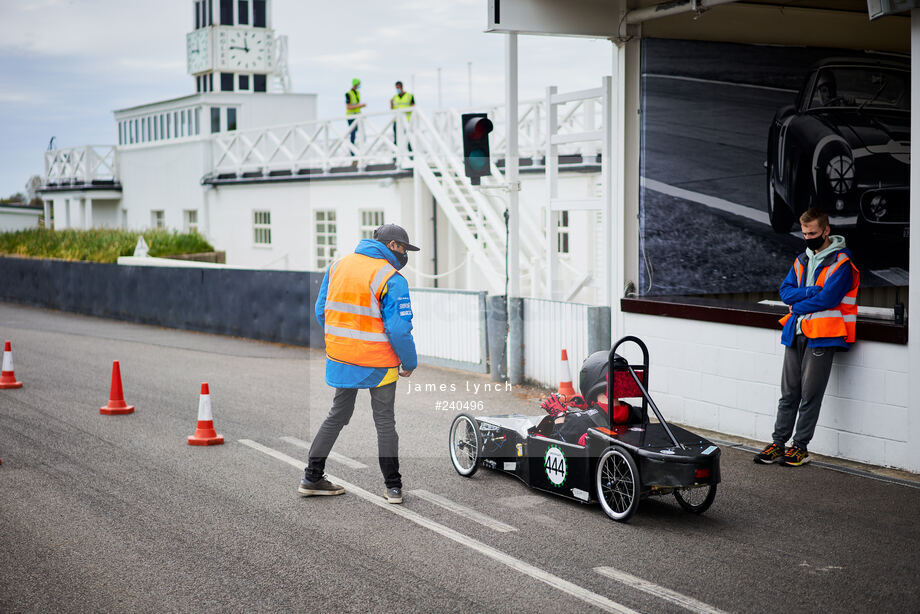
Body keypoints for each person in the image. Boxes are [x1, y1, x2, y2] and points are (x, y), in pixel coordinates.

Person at [300, 223, 420, 503]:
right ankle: (393, 487)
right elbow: (399, 329)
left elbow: (322, 311)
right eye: (403, 248)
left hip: (342, 358)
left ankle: (312, 476)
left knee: (337, 415)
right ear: (392, 246)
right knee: (384, 422)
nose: (405, 253)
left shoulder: (337, 266)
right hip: (379, 363)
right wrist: (409, 361)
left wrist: (344, 341)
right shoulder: (392, 278)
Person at [755, 207, 859, 467]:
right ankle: (778, 444)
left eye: (812, 233)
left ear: (826, 231)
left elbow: (829, 298)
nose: (808, 237)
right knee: (789, 393)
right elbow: (786, 292)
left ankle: (799, 447)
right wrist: (811, 292)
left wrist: (799, 304)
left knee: (810, 394)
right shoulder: (802, 259)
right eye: (804, 233)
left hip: (824, 336)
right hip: (797, 331)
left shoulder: (842, 263)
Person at [390, 81, 415, 151]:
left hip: (407, 120)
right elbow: (392, 109)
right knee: (396, 139)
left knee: (408, 138)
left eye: (398, 87)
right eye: (396, 88)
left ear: (401, 87)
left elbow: (413, 107)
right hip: (397, 121)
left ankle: (411, 155)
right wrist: (391, 103)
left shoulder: (409, 96)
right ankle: (395, 156)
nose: (397, 89)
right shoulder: (394, 97)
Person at [345, 78, 366, 155]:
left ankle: (360, 152)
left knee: (360, 134)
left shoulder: (357, 93)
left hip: (358, 116)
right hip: (351, 117)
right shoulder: (348, 94)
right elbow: (348, 107)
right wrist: (360, 105)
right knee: (353, 135)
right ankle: (352, 153)